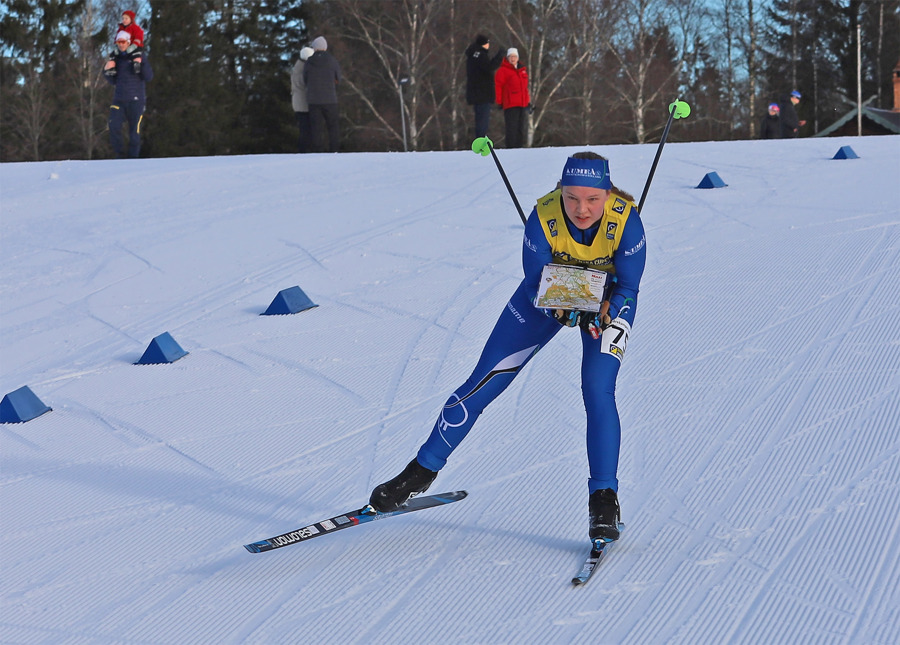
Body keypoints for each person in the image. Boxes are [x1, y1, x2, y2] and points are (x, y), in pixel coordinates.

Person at [368, 152, 646, 546]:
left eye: (592, 199)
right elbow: (535, 285)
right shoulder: (543, 217)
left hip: (607, 301)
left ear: (606, 193)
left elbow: (630, 289)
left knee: (597, 390)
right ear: (560, 192)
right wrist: (561, 306)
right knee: (483, 381)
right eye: (571, 198)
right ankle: (418, 472)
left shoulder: (626, 221)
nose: (581, 209)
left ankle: (604, 500)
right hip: (550, 296)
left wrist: (607, 310)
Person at [103, 30, 153, 158]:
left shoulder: (139, 55)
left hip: (136, 100)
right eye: (118, 42)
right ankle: (120, 155)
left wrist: (140, 64)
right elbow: (113, 81)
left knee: (134, 132)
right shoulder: (116, 58)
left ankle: (133, 159)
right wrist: (107, 71)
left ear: (129, 42)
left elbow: (148, 77)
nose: (121, 44)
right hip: (119, 99)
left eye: (123, 42)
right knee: (113, 125)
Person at [303, 36, 342, 153]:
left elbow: (305, 79)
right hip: (330, 99)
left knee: (316, 129)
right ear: (325, 47)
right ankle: (334, 150)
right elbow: (338, 78)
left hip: (313, 100)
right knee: (333, 127)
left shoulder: (309, 62)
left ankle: (317, 152)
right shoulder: (332, 60)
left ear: (314, 48)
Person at [465, 34, 504, 139]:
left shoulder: (473, 55)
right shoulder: (480, 55)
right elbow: (489, 67)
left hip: (476, 92)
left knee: (479, 119)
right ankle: (481, 141)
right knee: (483, 119)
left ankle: (479, 139)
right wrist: (499, 56)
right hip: (483, 93)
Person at [494, 47, 530, 148]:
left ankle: (520, 147)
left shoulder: (522, 70)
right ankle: (511, 148)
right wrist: (499, 101)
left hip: (522, 103)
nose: (512, 58)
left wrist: (527, 102)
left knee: (520, 127)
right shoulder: (503, 71)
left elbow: (525, 88)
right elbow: (498, 86)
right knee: (511, 127)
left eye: (514, 56)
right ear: (507, 58)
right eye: (510, 57)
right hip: (510, 103)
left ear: (517, 58)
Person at [291, 46, 315, 153]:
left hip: (298, 103)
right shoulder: (302, 69)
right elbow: (304, 84)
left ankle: (304, 149)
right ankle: (304, 150)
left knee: (303, 128)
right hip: (303, 104)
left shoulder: (297, 67)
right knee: (306, 129)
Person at [106, 10, 144, 76]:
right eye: (123, 18)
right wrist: (116, 46)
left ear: (131, 19)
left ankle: (136, 65)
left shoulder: (135, 28)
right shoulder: (121, 29)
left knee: (136, 54)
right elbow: (117, 38)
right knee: (113, 55)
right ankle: (112, 68)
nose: (124, 20)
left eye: (126, 18)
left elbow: (139, 37)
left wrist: (134, 45)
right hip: (122, 46)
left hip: (135, 46)